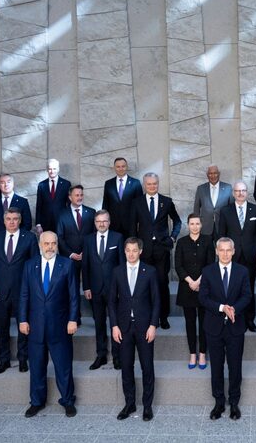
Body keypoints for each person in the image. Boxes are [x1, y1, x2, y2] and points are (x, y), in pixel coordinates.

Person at [18, 231, 79, 418]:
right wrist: (22, 319)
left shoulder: (67, 265)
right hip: (35, 326)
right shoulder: (30, 265)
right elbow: (24, 295)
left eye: (53, 243)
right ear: (40, 245)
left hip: (60, 326)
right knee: (36, 366)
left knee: (63, 366)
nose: (50, 247)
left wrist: (73, 319)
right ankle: (37, 402)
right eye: (46, 244)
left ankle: (67, 400)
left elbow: (73, 296)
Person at [198, 238, 252, 421]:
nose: (225, 253)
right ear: (216, 251)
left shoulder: (242, 271)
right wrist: (222, 308)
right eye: (222, 250)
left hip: (235, 327)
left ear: (234, 251)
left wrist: (233, 309)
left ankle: (234, 403)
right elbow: (203, 298)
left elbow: (247, 295)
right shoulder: (207, 271)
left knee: (235, 366)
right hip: (213, 327)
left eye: (229, 250)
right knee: (217, 367)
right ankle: (219, 402)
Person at [109, 238, 160, 422]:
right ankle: (129, 403)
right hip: (123, 328)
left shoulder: (150, 271)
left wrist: (153, 325)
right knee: (126, 368)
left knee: (147, 367)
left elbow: (156, 301)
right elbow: (112, 302)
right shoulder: (117, 271)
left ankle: (147, 406)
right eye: (128, 250)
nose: (131, 254)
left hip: (144, 327)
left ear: (140, 251)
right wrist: (114, 325)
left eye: (134, 250)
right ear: (124, 251)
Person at [0, 207, 39, 374]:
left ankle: (23, 359)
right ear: (4, 220)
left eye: (15, 218)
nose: (12, 222)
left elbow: (35, 265)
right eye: (9, 219)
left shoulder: (29, 238)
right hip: (0, 292)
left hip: (23, 292)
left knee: (24, 327)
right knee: (2, 327)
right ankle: (4, 360)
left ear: (20, 220)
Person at [130, 172, 182, 329]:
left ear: (158, 184)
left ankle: (163, 317)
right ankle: (147, 316)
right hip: (143, 251)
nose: (152, 186)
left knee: (161, 283)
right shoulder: (137, 202)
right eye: (149, 184)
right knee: (144, 285)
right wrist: (134, 248)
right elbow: (132, 226)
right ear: (144, 184)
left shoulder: (166, 202)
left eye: (155, 183)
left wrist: (172, 238)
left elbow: (177, 221)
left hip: (162, 250)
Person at [217, 181, 256, 332]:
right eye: (237, 191)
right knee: (231, 288)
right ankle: (234, 317)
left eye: (243, 190)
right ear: (233, 193)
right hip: (231, 257)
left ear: (247, 192)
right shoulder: (225, 211)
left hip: (250, 257)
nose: (240, 193)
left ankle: (249, 320)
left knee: (248, 289)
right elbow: (221, 235)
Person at [81, 210, 124, 370]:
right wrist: (86, 287)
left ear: (109, 222)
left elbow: (121, 266)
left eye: (104, 221)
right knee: (99, 323)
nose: (101, 224)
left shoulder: (117, 238)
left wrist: (121, 288)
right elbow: (85, 266)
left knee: (115, 323)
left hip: (114, 290)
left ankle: (117, 356)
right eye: (99, 221)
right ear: (95, 222)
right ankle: (101, 355)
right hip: (95, 289)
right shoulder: (88, 240)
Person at [175, 214, 215, 370]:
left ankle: (203, 353)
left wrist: (199, 281)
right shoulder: (182, 242)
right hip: (187, 288)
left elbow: (211, 264)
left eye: (197, 223)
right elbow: (178, 265)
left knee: (204, 322)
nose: (195, 226)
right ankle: (193, 353)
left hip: (204, 287)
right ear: (188, 225)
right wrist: (190, 281)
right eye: (192, 223)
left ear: (201, 224)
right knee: (190, 322)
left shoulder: (207, 241)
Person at [56, 184, 96, 280]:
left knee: (92, 284)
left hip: (88, 255)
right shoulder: (62, 214)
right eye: (77, 195)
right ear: (70, 197)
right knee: (72, 287)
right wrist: (71, 254)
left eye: (81, 195)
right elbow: (59, 237)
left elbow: (94, 234)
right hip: (69, 257)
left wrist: (86, 251)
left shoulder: (91, 212)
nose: (80, 197)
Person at [102, 157, 143, 238]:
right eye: (118, 166)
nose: (121, 169)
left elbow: (140, 205)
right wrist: (104, 221)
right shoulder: (108, 183)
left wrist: (139, 223)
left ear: (126, 167)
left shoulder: (136, 183)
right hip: (113, 225)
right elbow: (105, 204)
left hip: (131, 225)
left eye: (123, 166)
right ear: (114, 168)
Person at [193, 165, 233, 237]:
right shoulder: (201, 189)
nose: (213, 176)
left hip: (223, 226)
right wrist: (197, 225)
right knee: (206, 248)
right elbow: (196, 209)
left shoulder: (228, 188)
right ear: (207, 175)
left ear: (219, 174)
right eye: (210, 173)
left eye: (215, 173)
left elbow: (232, 208)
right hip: (205, 227)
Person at [35, 158, 71, 234]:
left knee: (61, 244)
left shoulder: (66, 184)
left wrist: (68, 221)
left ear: (58, 169)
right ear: (47, 170)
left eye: (54, 169)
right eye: (50, 169)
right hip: (45, 223)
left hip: (61, 221)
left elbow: (69, 205)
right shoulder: (41, 185)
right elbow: (39, 206)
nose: (52, 171)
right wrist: (38, 224)